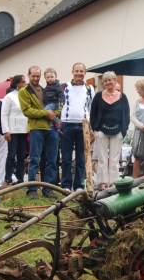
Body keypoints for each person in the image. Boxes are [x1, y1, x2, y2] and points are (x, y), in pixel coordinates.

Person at [19, 66, 60, 199]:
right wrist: (46, 113)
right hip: (37, 128)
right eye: (33, 76)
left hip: (52, 128)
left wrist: (55, 114)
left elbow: (57, 104)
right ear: (29, 75)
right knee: (34, 159)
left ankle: (48, 188)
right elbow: (27, 111)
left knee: (52, 160)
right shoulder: (24, 91)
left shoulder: (46, 89)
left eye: (38, 76)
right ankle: (32, 189)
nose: (36, 78)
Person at [90, 71, 130, 188]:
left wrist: (124, 130)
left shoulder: (123, 97)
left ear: (114, 81)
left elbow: (126, 115)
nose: (107, 82)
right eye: (105, 81)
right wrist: (95, 130)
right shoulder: (98, 96)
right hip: (101, 132)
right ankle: (102, 183)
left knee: (114, 160)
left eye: (110, 80)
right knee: (102, 159)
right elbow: (93, 114)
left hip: (117, 132)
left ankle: (113, 183)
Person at [60, 62, 94, 191]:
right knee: (66, 157)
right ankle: (66, 185)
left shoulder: (89, 88)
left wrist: (91, 128)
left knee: (81, 157)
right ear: (72, 72)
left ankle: (79, 185)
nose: (79, 73)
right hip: (67, 124)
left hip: (83, 125)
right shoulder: (64, 87)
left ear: (85, 73)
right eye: (77, 71)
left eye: (81, 71)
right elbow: (60, 104)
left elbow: (91, 108)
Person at [0, 75, 28, 185]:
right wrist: (6, 131)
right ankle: (8, 177)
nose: (25, 84)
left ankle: (20, 178)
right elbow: (4, 114)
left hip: (24, 129)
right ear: (17, 84)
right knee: (12, 154)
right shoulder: (10, 97)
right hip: (13, 130)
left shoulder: (26, 95)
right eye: (23, 82)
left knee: (22, 155)